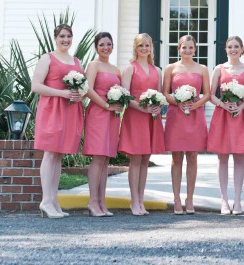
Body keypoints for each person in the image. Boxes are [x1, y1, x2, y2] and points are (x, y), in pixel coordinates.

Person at [31, 24, 85, 218]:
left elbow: (83, 87)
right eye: (62, 36)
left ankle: (54, 200)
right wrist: (62, 93)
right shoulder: (47, 58)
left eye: (69, 36)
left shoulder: (77, 61)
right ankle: (45, 201)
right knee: (50, 153)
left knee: (59, 155)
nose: (66, 40)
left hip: (71, 111)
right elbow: (36, 86)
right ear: (56, 37)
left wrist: (80, 95)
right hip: (52, 109)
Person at [207, 36, 244, 215]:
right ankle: (224, 201)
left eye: (236, 46)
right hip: (223, 116)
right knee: (222, 158)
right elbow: (211, 95)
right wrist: (223, 104)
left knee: (239, 157)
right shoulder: (219, 69)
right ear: (225, 49)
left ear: (242, 48)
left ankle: (237, 201)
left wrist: (242, 105)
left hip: (242, 115)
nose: (233, 49)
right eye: (230, 46)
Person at [162, 34, 211, 215]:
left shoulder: (202, 69)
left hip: (195, 114)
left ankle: (189, 199)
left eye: (191, 48)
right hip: (176, 115)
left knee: (192, 156)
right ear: (179, 48)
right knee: (176, 158)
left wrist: (195, 104)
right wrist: (177, 102)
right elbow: (165, 92)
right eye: (184, 47)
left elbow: (207, 93)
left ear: (195, 49)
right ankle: (176, 198)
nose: (187, 51)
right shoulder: (170, 68)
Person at [119, 33, 166, 216]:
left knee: (146, 159)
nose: (144, 49)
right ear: (136, 48)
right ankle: (134, 201)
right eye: (141, 46)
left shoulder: (157, 70)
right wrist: (142, 108)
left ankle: (141, 199)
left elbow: (161, 95)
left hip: (151, 118)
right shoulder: (130, 68)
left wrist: (157, 108)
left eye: (147, 45)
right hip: (136, 116)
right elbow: (125, 96)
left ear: (151, 48)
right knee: (136, 159)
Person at [82, 32, 123, 217]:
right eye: (101, 44)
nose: (106, 47)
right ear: (96, 47)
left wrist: (119, 103)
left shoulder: (116, 69)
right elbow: (88, 89)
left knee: (106, 159)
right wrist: (106, 105)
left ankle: (102, 201)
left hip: (113, 116)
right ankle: (92, 201)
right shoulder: (93, 65)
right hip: (98, 113)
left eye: (109, 44)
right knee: (98, 157)